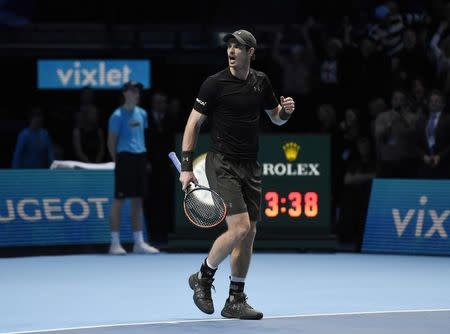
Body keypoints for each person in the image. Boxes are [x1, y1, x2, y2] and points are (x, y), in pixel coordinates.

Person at [179, 29, 295, 320]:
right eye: (229, 46)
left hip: (250, 166)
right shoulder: (214, 84)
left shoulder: (261, 82)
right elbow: (193, 124)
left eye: (238, 47)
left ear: (250, 52)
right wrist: (186, 166)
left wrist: (286, 112)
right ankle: (203, 277)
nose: (231, 51)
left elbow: (276, 117)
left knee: (249, 234)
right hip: (222, 164)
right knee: (240, 227)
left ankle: (235, 299)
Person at [107, 81, 160, 255]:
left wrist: (144, 160)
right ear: (125, 93)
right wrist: (118, 161)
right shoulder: (117, 115)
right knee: (119, 200)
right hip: (124, 158)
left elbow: (141, 137)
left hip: (140, 157)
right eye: (132, 91)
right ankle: (114, 243)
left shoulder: (143, 114)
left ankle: (138, 243)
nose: (136, 94)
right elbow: (111, 142)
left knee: (138, 200)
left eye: (137, 91)